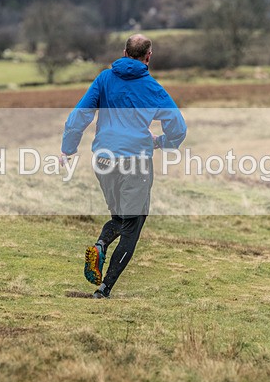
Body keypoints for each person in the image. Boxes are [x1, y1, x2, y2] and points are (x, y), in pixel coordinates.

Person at [61, 34, 187, 299]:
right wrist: (162, 142)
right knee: (133, 223)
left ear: (124, 52)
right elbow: (178, 127)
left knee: (120, 217)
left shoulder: (104, 79)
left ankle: (101, 244)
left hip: (103, 160)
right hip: (135, 163)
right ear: (148, 56)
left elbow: (80, 115)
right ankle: (104, 288)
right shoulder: (153, 88)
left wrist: (68, 148)